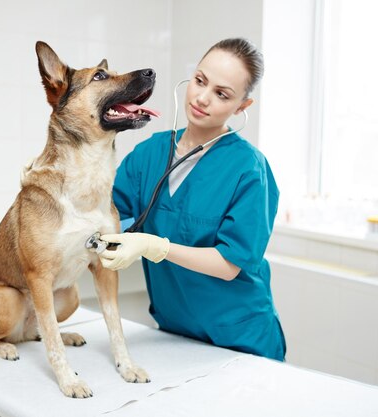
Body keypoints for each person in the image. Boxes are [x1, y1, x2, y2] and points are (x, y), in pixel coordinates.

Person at [98, 38, 286, 361]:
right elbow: (106, 213)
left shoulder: (248, 169)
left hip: (240, 342)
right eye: (200, 81)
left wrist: (157, 247)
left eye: (221, 94)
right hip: (176, 337)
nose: (202, 98)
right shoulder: (149, 155)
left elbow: (229, 264)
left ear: (242, 106)